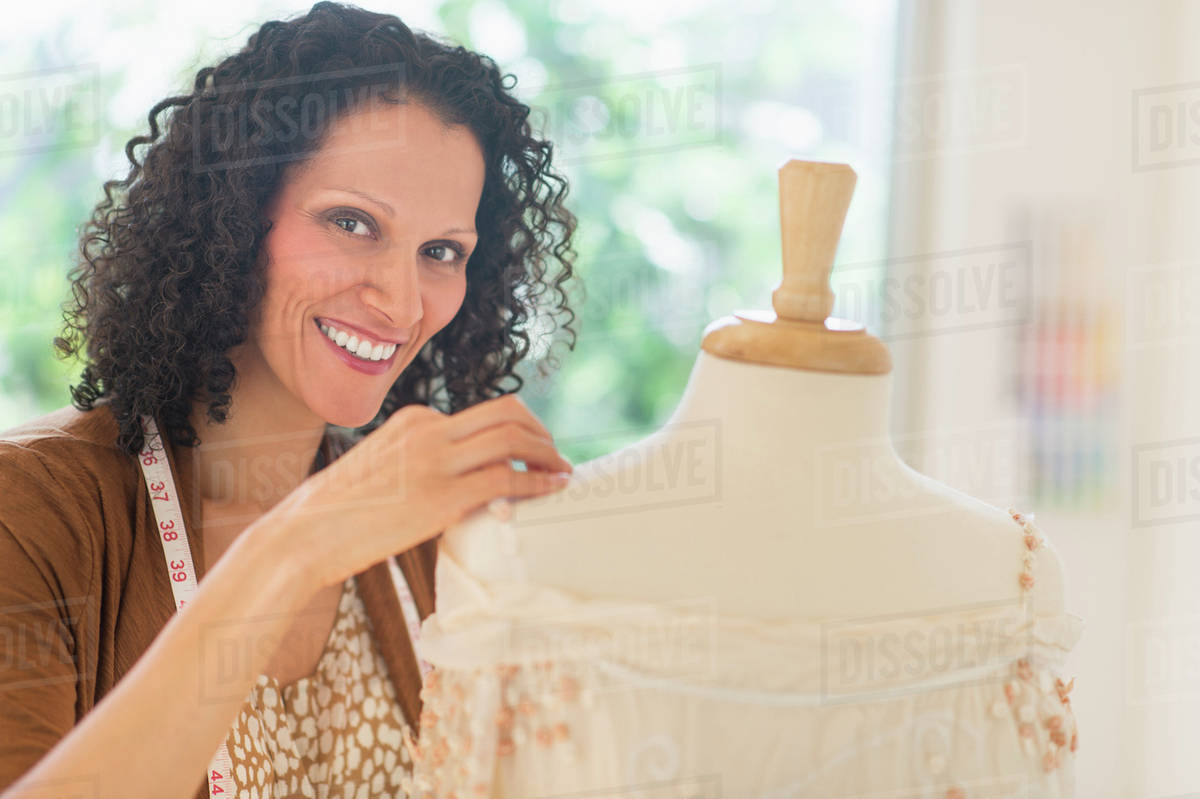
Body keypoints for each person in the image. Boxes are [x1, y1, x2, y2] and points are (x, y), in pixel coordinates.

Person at [0, 3, 578, 797]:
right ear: (238, 211)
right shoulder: (31, 509)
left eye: (442, 252)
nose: (402, 302)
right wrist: (294, 546)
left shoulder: (428, 541)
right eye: (352, 222)